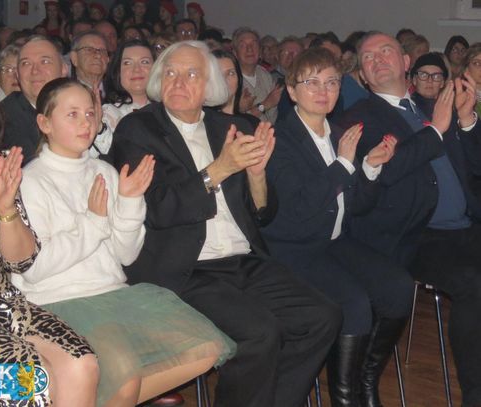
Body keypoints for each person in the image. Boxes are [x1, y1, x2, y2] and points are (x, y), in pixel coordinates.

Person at [108, 40, 341, 407]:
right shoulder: (138, 130)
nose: (178, 82)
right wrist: (218, 170)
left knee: (322, 317)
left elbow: (262, 213)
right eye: (170, 73)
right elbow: (157, 209)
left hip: (243, 261)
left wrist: (257, 176)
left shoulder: (231, 127)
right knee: (260, 333)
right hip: (186, 268)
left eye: (191, 74)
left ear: (210, 86)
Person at [14, 77, 233, 407]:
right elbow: (35, 269)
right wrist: (93, 221)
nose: (85, 123)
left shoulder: (104, 171)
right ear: (45, 123)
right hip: (58, 300)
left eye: (90, 113)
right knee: (124, 374)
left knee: (205, 349)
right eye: (72, 114)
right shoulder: (31, 180)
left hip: (112, 294)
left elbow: (125, 255)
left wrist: (130, 202)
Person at [0, 40, 98, 407]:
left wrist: (6, 209)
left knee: (82, 364)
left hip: (1, 305)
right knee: (27, 381)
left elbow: (20, 260)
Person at [262, 47, 413, 406]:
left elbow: (357, 206)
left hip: (333, 242)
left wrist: (370, 168)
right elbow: (300, 210)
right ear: (292, 91)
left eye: (331, 82)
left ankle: (365, 380)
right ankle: (345, 399)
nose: (323, 90)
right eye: (311, 82)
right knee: (354, 303)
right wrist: (344, 165)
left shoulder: (339, 134)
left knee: (399, 287)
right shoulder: (279, 139)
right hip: (293, 247)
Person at [340, 31, 481, 407]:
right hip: (418, 235)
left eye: (386, 51)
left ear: (405, 63)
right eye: (368, 57)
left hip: (467, 224)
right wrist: (436, 129)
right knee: (473, 282)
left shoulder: (430, 105)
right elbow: (385, 171)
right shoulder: (358, 119)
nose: (377, 59)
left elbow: (475, 166)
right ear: (362, 75)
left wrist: (467, 120)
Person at [2, 35, 68, 166]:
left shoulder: (76, 107)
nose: (35, 71)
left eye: (45, 61)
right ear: (17, 75)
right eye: (26, 63)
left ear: (63, 70)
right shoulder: (3, 118)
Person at [98, 40, 154, 158]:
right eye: (127, 63)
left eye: (144, 62)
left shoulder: (168, 109)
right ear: (117, 72)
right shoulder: (107, 114)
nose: (137, 69)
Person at [233, 27, 282, 123]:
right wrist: (264, 105)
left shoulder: (265, 75)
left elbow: (274, 115)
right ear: (235, 53)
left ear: (260, 51)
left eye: (254, 44)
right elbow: (234, 120)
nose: (249, 49)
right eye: (243, 45)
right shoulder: (230, 79)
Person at [212, 49, 260, 129]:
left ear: (239, 79)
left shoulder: (252, 122)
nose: (224, 80)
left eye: (231, 73)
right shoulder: (203, 123)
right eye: (218, 74)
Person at [70, 30, 109, 98]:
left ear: (108, 59)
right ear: (74, 58)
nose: (98, 55)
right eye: (89, 50)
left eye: (102, 51)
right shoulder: (65, 94)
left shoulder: (119, 93)